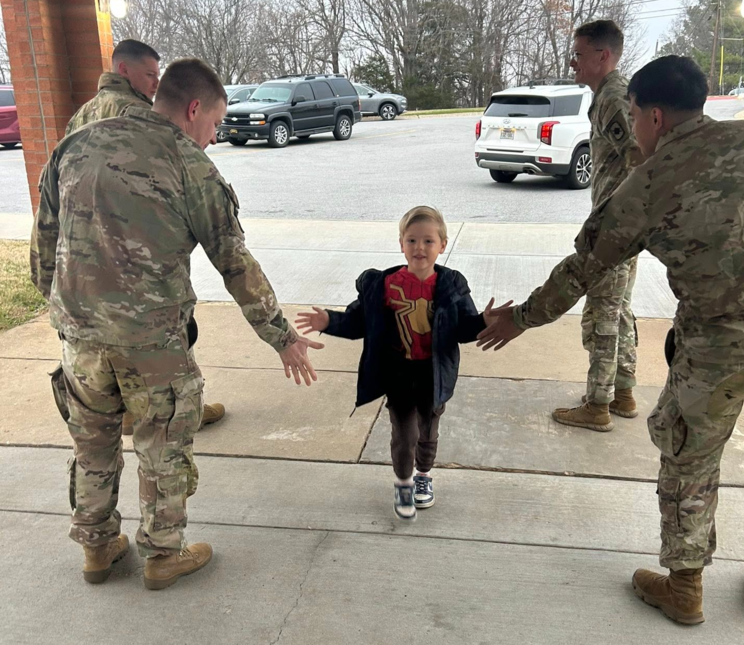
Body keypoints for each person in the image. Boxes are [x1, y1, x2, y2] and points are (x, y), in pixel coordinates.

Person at [477, 55, 744, 624]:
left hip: (716, 350)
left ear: (653, 116)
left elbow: (583, 270)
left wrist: (519, 318)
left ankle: (685, 587)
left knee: (688, 461)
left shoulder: (646, 182)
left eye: (634, 115)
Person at [31, 58, 323, 590]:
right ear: (193, 109)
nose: (213, 138)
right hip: (153, 344)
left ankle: (96, 550)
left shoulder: (76, 144)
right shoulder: (189, 162)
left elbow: (43, 249)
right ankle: (164, 554)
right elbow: (235, 262)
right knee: (163, 445)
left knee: (92, 445)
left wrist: (71, 316)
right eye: (214, 125)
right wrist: (282, 337)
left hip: (80, 339)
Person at [62, 39, 226, 433]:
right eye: (150, 74)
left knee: (91, 455)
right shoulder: (145, 118)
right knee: (164, 437)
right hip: (142, 307)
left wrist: (67, 304)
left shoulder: (80, 120)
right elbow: (229, 253)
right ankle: (166, 408)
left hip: (84, 303)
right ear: (124, 70)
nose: (155, 83)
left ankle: (137, 409)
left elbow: (51, 218)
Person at [296, 206, 499, 521]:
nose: (420, 247)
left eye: (428, 241)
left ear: (442, 245)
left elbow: (461, 330)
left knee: (428, 432)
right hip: (399, 374)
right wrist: (328, 321)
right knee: (404, 434)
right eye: (412, 240)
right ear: (401, 244)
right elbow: (357, 322)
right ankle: (403, 482)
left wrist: (483, 321)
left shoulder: (452, 285)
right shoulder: (383, 285)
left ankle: (423, 475)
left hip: (434, 375)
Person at [554, 19, 643, 433]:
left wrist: (618, 222)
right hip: (624, 225)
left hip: (615, 230)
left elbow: (639, 155)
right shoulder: (610, 95)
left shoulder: (613, 98)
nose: (573, 62)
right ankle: (622, 391)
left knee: (603, 313)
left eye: (579, 54)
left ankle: (598, 404)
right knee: (620, 309)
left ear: (602, 56)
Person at [65, 39, 160, 136]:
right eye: (150, 74)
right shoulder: (139, 112)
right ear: (124, 70)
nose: (157, 83)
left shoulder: (79, 116)